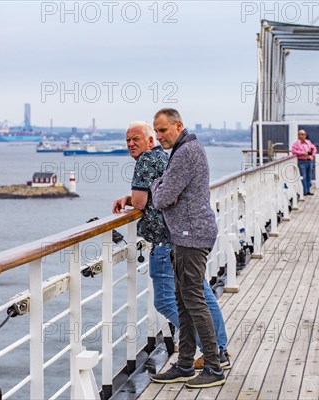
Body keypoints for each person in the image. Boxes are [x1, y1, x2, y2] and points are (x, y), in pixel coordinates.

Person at [111, 121, 230, 372]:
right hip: (184, 236)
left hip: (167, 241)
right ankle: (219, 348)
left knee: (168, 300)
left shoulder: (145, 161)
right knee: (200, 294)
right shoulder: (164, 157)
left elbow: (142, 202)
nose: (131, 144)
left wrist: (133, 199)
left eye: (136, 139)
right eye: (127, 140)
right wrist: (130, 197)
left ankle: (211, 352)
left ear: (150, 140)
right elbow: (156, 194)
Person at [149, 109, 225, 388]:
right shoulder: (187, 149)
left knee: (193, 300)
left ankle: (214, 367)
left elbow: (162, 198)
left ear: (178, 125)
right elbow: (170, 193)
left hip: (191, 236)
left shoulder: (185, 153)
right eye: (156, 131)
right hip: (185, 235)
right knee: (183, 300)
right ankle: (184, 364)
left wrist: (157, 184)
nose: (159, 137)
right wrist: (165, 187)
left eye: (163, 130)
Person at [291, 129, 317, 196]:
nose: (304, 136)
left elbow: (314, 148)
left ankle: (308, 190)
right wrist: (303, 153)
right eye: (302, 134)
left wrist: (312, 155)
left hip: (309, 161)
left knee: (309, 176)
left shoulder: (308, 142)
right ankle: (304, 191)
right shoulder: (296, 143)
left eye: (304, 134)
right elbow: (294, 151)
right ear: (299, 135)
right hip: (301, 161)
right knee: (303, 176)